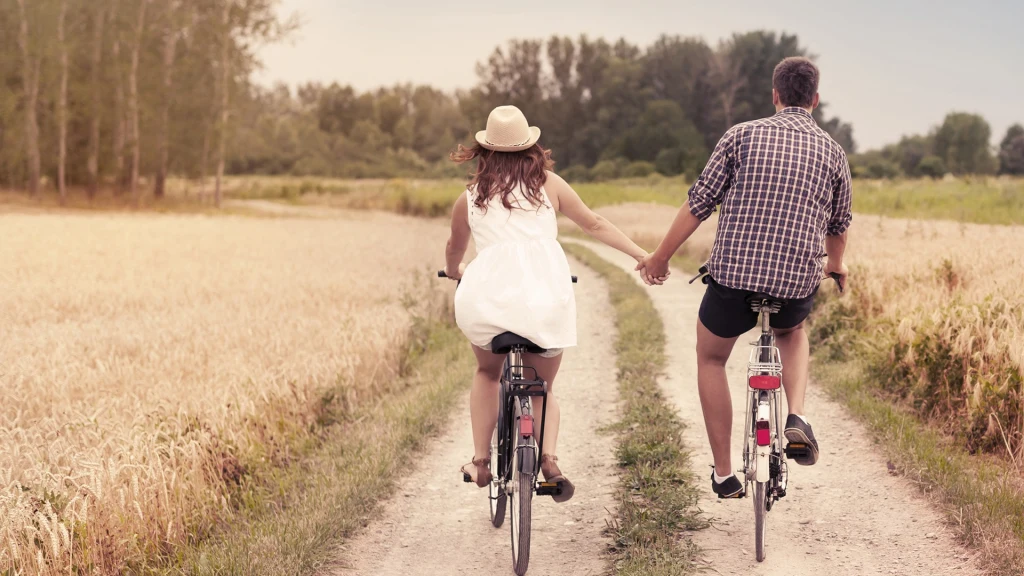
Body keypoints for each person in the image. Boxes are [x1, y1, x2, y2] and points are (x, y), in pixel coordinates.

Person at [636, 57, 853, 499]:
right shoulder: (833, 151)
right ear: (814, 99)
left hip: (733, 280)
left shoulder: (740, 136)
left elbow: (699, 204)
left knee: (711, 359)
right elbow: (839, 223)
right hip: (794, 284)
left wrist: (661, 257)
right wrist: (836, 264)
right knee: (792, 331)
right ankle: (796, 416)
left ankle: (723, 473)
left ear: (775, 95)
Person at [444, 105, 653, 502]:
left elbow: (454, 248)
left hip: (487, 304)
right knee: (542, 387)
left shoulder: (469, 198)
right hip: (544, 302)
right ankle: (550, 461)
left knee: (488, 374)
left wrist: (455, 270)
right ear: (530, 148)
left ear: (484, 151)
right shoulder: (551, 185)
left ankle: (481, 461)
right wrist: (642, 255)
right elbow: (594, 223)